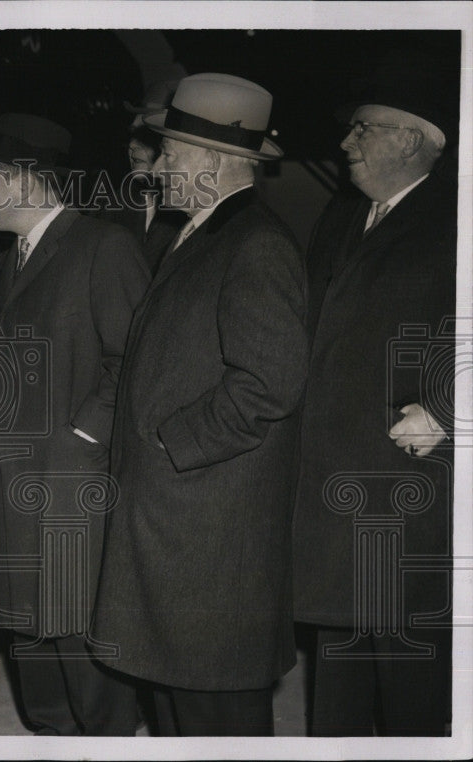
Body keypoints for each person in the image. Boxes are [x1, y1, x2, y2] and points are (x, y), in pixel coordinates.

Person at [93, 73, 309, 736]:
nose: (156, 168)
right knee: (177, 705)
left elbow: (268, 384)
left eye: (170, 155)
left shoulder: (257, 246)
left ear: (212, 163)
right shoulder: (201, 234)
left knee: (216, 714)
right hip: (180, 527)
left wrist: (170, 445)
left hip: (209, 536)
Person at [292, 54, 457, 736]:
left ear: (412, 139)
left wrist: (450, 409)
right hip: (334, 478)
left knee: (413, 670)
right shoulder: (341, 215)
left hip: (408, 477)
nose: (345, 143)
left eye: (362, 128)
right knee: (340, 660)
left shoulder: (459, 214)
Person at [0, 113, 148, 735]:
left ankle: (107, 742)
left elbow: (134, 359)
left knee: (76, 622)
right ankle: (47, 734)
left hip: (73, 478)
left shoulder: (104, 246)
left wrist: (81, 436)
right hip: (13, 475)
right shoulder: (3, 264)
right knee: (23, 619)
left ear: (25, 181)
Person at [100, 79, 186, 275]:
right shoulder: (111, 203)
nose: (132, 145)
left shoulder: (192, 209)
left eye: (145, 134)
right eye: (131, 134)